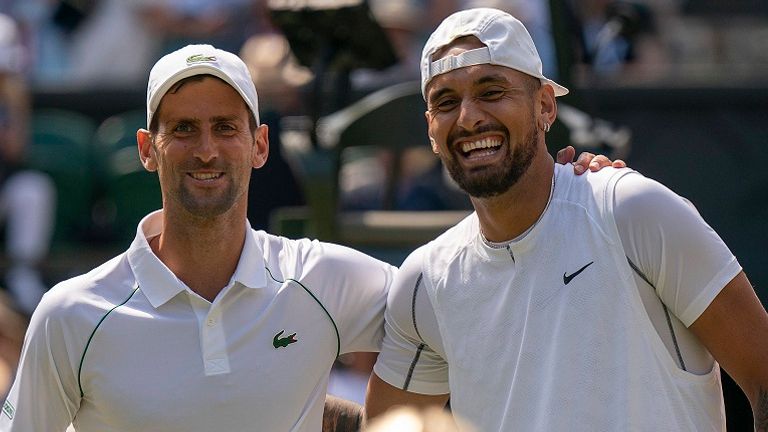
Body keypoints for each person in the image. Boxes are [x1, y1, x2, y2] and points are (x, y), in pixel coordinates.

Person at [0, 42, 616, 431]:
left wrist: (566, 193)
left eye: (226, 127)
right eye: (183, 129)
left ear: (260, 144)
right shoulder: (71, 314)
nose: (207, 149)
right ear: (147, 150)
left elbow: (474, 285)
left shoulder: (322, 278)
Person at [365, 7, 768, 432]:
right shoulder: (425, 280)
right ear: (431, 129)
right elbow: (386, 425)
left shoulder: (632, 209)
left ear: (544, 107)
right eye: (446, 102)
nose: (469, 118)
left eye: (491, 91)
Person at [0, 13, 56, 316]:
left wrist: (15, 105)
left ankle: (23, 279)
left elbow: (14, 150)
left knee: (33, 190)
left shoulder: (11, 95)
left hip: (4, 188)